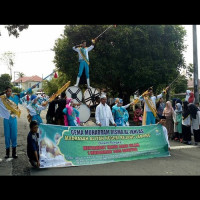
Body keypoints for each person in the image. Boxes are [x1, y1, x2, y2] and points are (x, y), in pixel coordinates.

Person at [2, 86, 34, 159]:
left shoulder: (15, 97)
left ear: (11, 92)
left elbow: (24, 92)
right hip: (6, 119)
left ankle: (14, 152)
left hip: (13, 119)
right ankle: (7, 153)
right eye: (7, 91)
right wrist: (3, 93)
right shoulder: (3, 99)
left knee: (14, 135)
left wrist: (31, 87)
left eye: (10, 91)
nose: (9, 92)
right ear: (5, 92)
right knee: (7, 136)